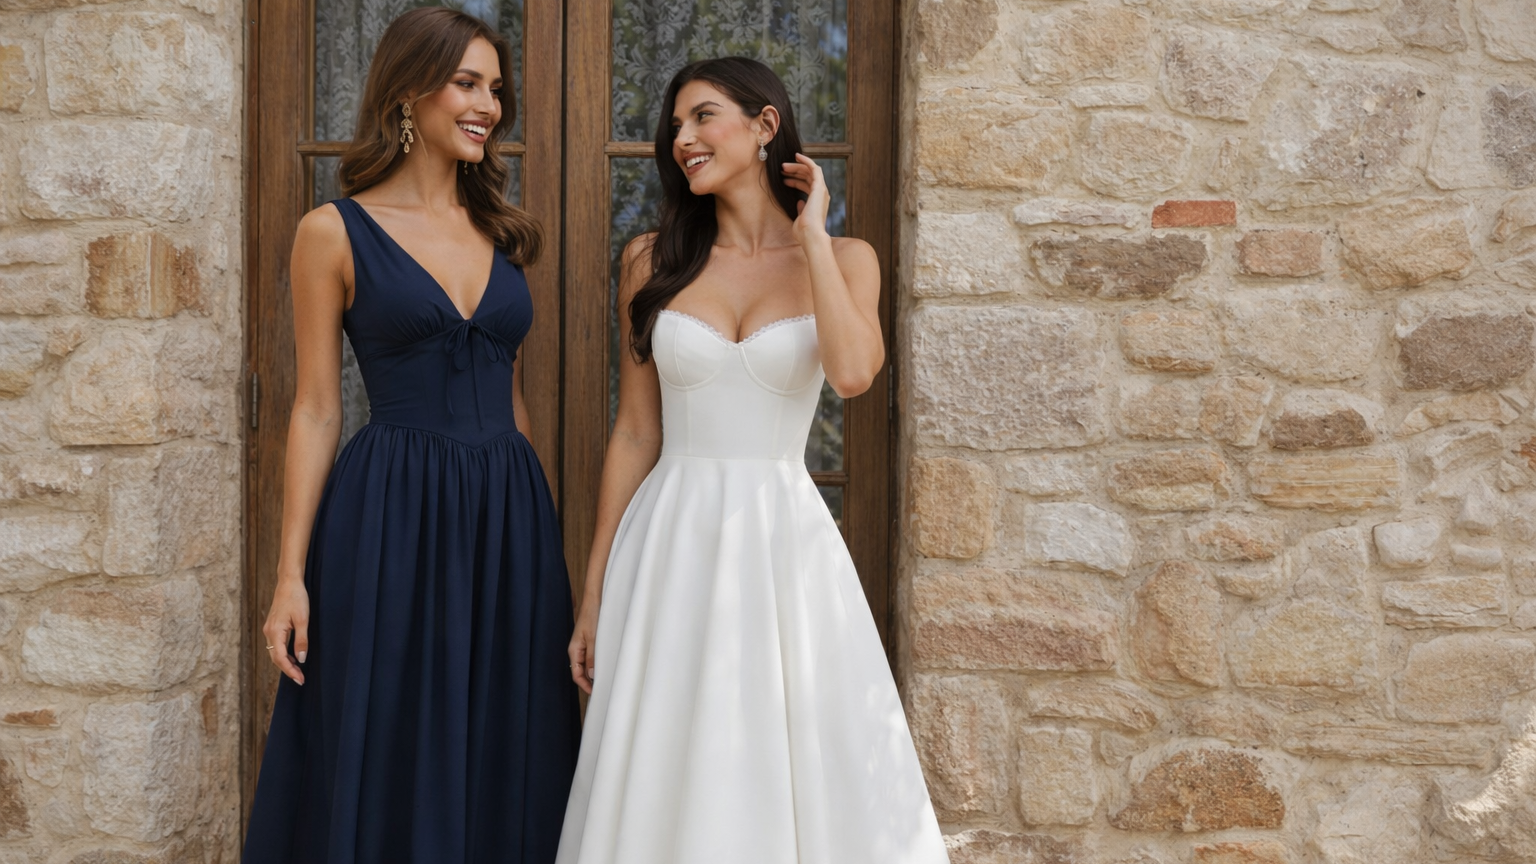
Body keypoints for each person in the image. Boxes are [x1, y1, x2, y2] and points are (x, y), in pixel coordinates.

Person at [556, 57, 949, 864]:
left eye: (703, 117)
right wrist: (594, 589)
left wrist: (811, 237)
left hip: (783, 546)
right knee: (667, 763)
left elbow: (850, 374)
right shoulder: (650, 260)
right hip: (668, 543)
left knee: (783, 756)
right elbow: (634, 432)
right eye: (676, 126)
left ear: (765, 126)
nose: (683, 138)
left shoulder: (847, 260)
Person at [243, 9, 578, 862]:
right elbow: (317, 407)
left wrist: (533, 533)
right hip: (389, 514)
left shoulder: (501, 232)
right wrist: (290, 576)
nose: (489, 106)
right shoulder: (332, 231)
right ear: (407, 91)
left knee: (506, 732)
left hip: (508, 518)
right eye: (468, 83)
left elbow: (512, 397)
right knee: (389, 729)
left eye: (495, 89)